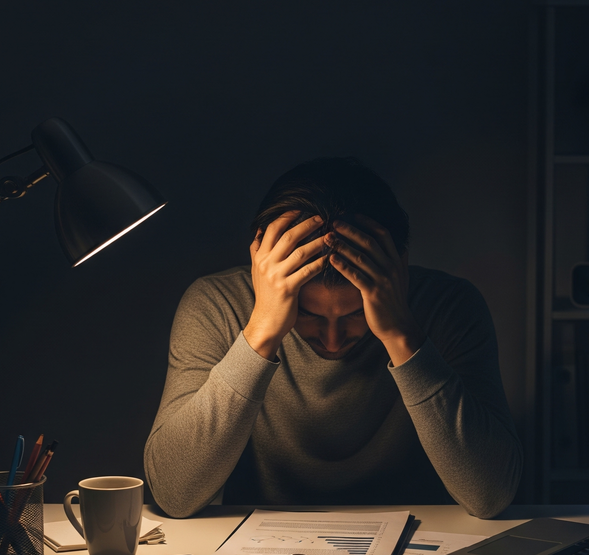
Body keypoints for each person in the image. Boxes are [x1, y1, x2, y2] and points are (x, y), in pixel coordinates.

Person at [144, 157, 522, 519]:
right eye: (305, 314)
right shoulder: (217, 304)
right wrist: (261, 332)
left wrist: (399, 333)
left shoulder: (449, 307)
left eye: (356, 313)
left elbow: (489, 494)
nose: (331, 339)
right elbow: (174, 494)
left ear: (398, 268)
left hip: (420, 551)